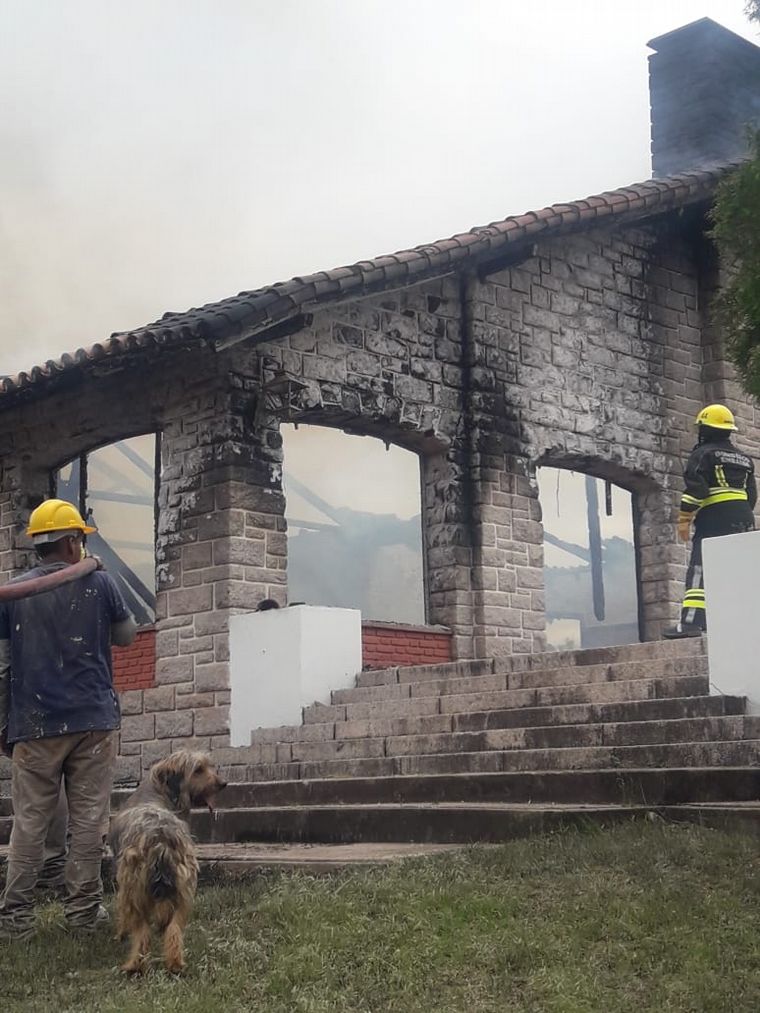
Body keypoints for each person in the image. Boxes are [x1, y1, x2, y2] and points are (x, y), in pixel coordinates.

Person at [0, 499, 136, 938]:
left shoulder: (14, 593)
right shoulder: (101, 583)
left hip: (34, 722)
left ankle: (16, 919)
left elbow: (3, 659)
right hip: (93, 720)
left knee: (30, 821)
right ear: (74, 541)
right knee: (88, 820)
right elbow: (127, 636)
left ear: (39, 545)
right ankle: (82, 915)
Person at [665, 404, 757, 639]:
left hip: (715, 518)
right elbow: (752, 496)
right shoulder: (744, 459)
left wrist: (685, 518)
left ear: (705, 429)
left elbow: (697, 490)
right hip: (743, 517)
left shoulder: (703, 454)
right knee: (740, 570)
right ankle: (746, 620)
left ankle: (691, 623)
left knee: (700, 568)